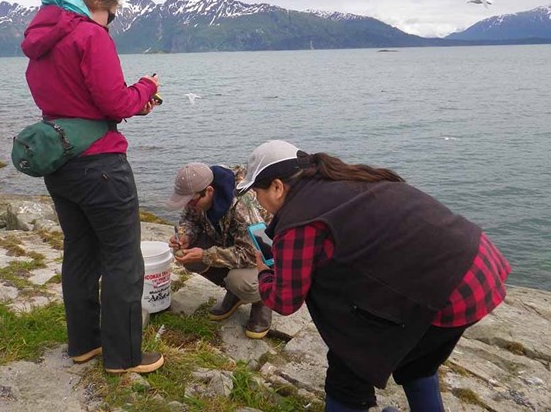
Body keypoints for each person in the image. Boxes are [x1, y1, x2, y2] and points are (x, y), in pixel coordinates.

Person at [236, 140, 511, 412]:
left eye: (256, 193)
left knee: (348, 369)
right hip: (480, 264)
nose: (258, 201)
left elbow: (285, 301)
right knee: (417, 363)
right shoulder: (347, 177)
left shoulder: (298, 222)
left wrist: (264, 274)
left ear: (276, 187)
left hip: (450, 290)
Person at [21, 0, 164, 374]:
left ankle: (84, 344)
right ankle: (125, 357)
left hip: (60, 161)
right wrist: (144, 88)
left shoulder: (39, 43)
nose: (109, 24)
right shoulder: (90, 35)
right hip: (100, 165)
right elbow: (114, 103)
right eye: (112, 17)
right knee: (122, 260)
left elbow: (70, 100)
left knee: (80, 253)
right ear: (98, 4)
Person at [167, 162, 273, 338]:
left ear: (209, 191)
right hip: (230, 246)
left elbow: (253, 253)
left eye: (192, 202)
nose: (190, 206)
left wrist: (206, 255)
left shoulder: (243, 204)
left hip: (263, 259)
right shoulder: (196, 196)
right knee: (188, 256)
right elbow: (189, 220)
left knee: (240, 281)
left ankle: (263, 300)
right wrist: (186, 236)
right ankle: (235, 294)